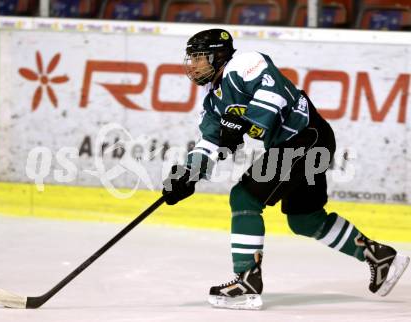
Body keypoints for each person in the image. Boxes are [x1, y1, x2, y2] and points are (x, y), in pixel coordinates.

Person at [161, 28, 409, 310]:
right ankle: (379, 256)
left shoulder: (245, 63)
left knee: (244, 197)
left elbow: (273, 94)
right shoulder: (212, 99)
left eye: (198, 57)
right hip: (304, 142)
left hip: (306, 137)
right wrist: (188, 175)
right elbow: (209, 141)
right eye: (190, 58)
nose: (192, 65)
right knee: (305, 220)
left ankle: (246, 280)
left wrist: (242, 125)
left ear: (218, 56)